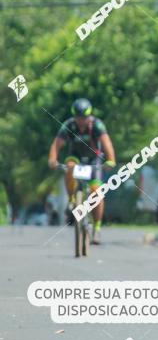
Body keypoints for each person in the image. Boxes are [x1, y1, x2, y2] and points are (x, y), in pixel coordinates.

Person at [47, 98, 117, 244]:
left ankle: (97, 228)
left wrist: (110, 159)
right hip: (75, 157)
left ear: (89, 116)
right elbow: (56, 144)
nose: (81, 121)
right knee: (69, 167)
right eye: (78, 117)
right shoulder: (69, 125)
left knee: (96, 192)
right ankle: (72, 199)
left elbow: (106, 142)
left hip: (94, 160)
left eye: (84, 117)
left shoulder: (97, 125)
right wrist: (52, 159)